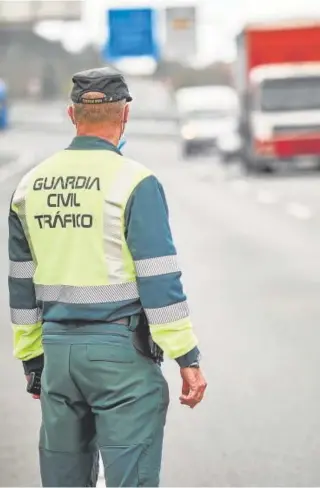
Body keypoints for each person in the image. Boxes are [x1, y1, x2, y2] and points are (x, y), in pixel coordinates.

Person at [8, 67, 207, 487]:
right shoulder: (136, 181)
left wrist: (32, 361)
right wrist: (186, 357)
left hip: (58, 357)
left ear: (71, 114)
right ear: (125, 116)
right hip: (120, 358)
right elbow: (160, 280)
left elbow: (21, 285)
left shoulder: (29, 186)